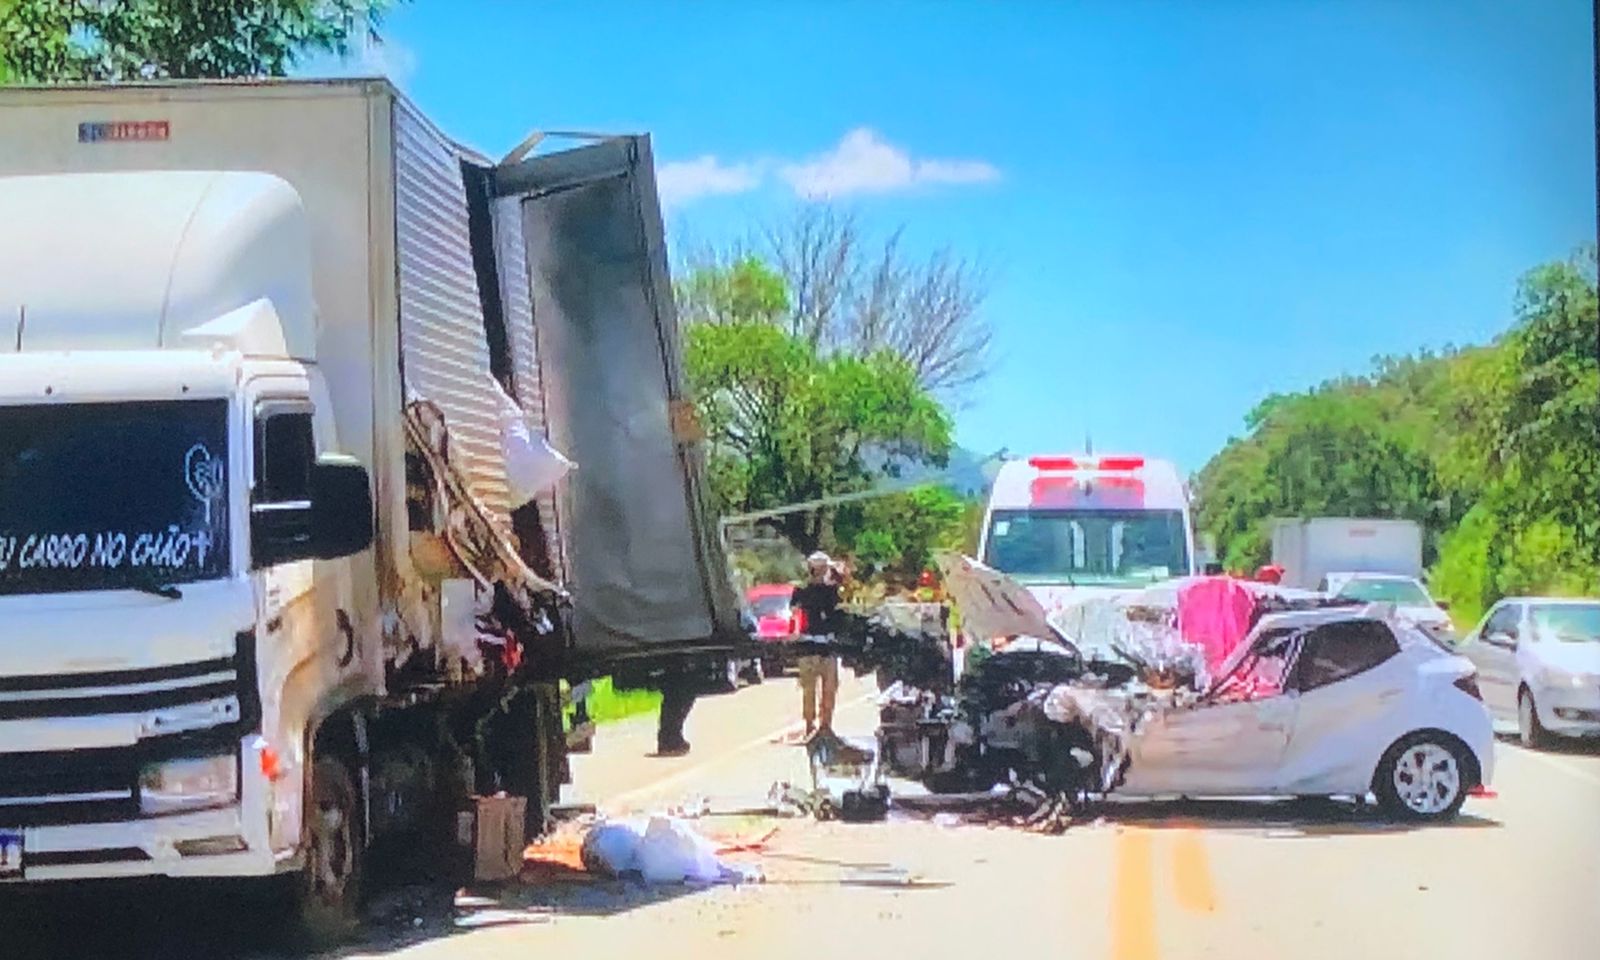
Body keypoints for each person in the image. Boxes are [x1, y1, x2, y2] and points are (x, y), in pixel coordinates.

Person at [791, 551, 844, 741]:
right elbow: (795, 614)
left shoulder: (832, 590)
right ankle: (813, 724)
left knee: (824, 688)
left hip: (821, 645)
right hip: (813, 644)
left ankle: (823, 724)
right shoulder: (804, 591)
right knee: (813, 688)